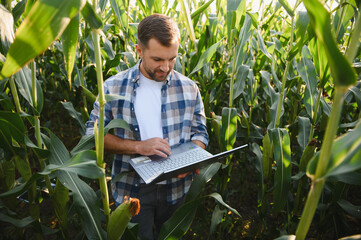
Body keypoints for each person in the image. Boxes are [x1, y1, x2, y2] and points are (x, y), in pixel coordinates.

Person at [86, 14, 208, 240]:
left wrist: (191, 160)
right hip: (132, 190)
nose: (166, 67)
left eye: (172, 58)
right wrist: (138, 147)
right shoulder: (112, 88)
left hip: (176, 189)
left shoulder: (189, 89)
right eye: (158, 59)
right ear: (139, 51)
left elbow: (199, 133)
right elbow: (92, 138)